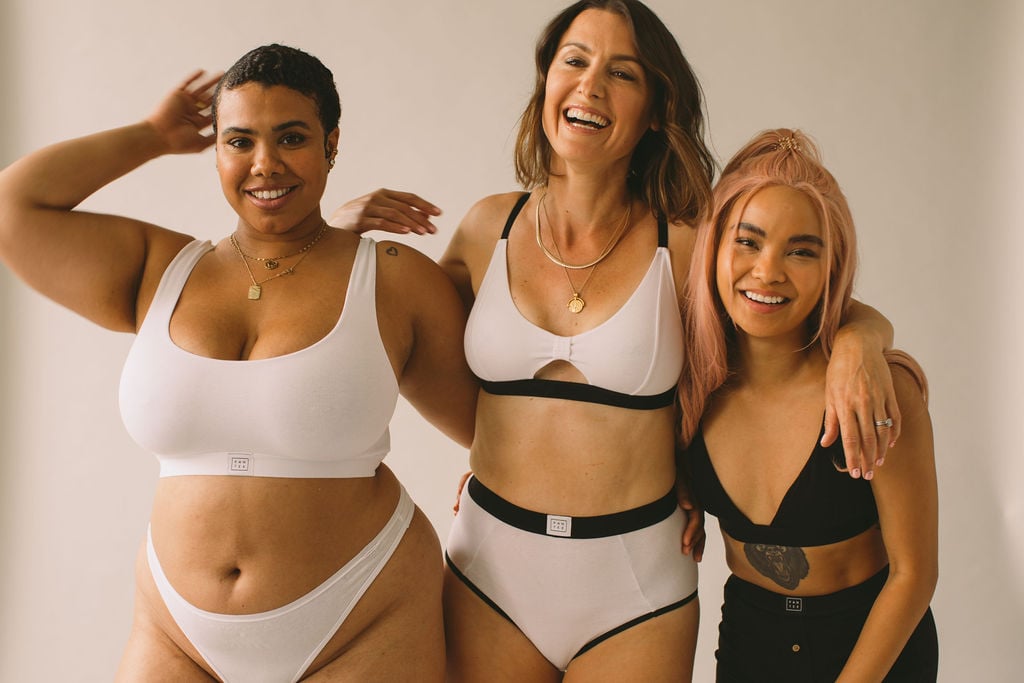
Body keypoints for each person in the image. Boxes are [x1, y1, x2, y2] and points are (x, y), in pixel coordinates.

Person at [334, 2, 900, 679]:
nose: (591, 86)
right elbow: (391, 332)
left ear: (657, 108)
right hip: (491, 569)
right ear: (546, 81)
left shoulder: (687, 242)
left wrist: (863, 339)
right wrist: (334, 239)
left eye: (622, 73)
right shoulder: (490, 228)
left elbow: (791, 302)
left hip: (637, 588)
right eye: (574, 61)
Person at [0, 44, 476, 682]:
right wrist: (152, 136)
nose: (265, 163)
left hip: (364, 615)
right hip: (176, 631)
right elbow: (15, 208)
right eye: (239, 140)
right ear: (216, 151)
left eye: (292, 138)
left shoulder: (391, 280)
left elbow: (490, 429)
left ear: (332, 145)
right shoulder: (158, 269)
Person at [678, 129, 938, 680]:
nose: (768, 271)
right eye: (748, 242)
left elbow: (914, 573)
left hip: (871, 646)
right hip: (750, 635)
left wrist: (862, 337)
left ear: (831, 269)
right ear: (714, 247)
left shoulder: (877, 388)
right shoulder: (690, 381)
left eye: (801, 251)